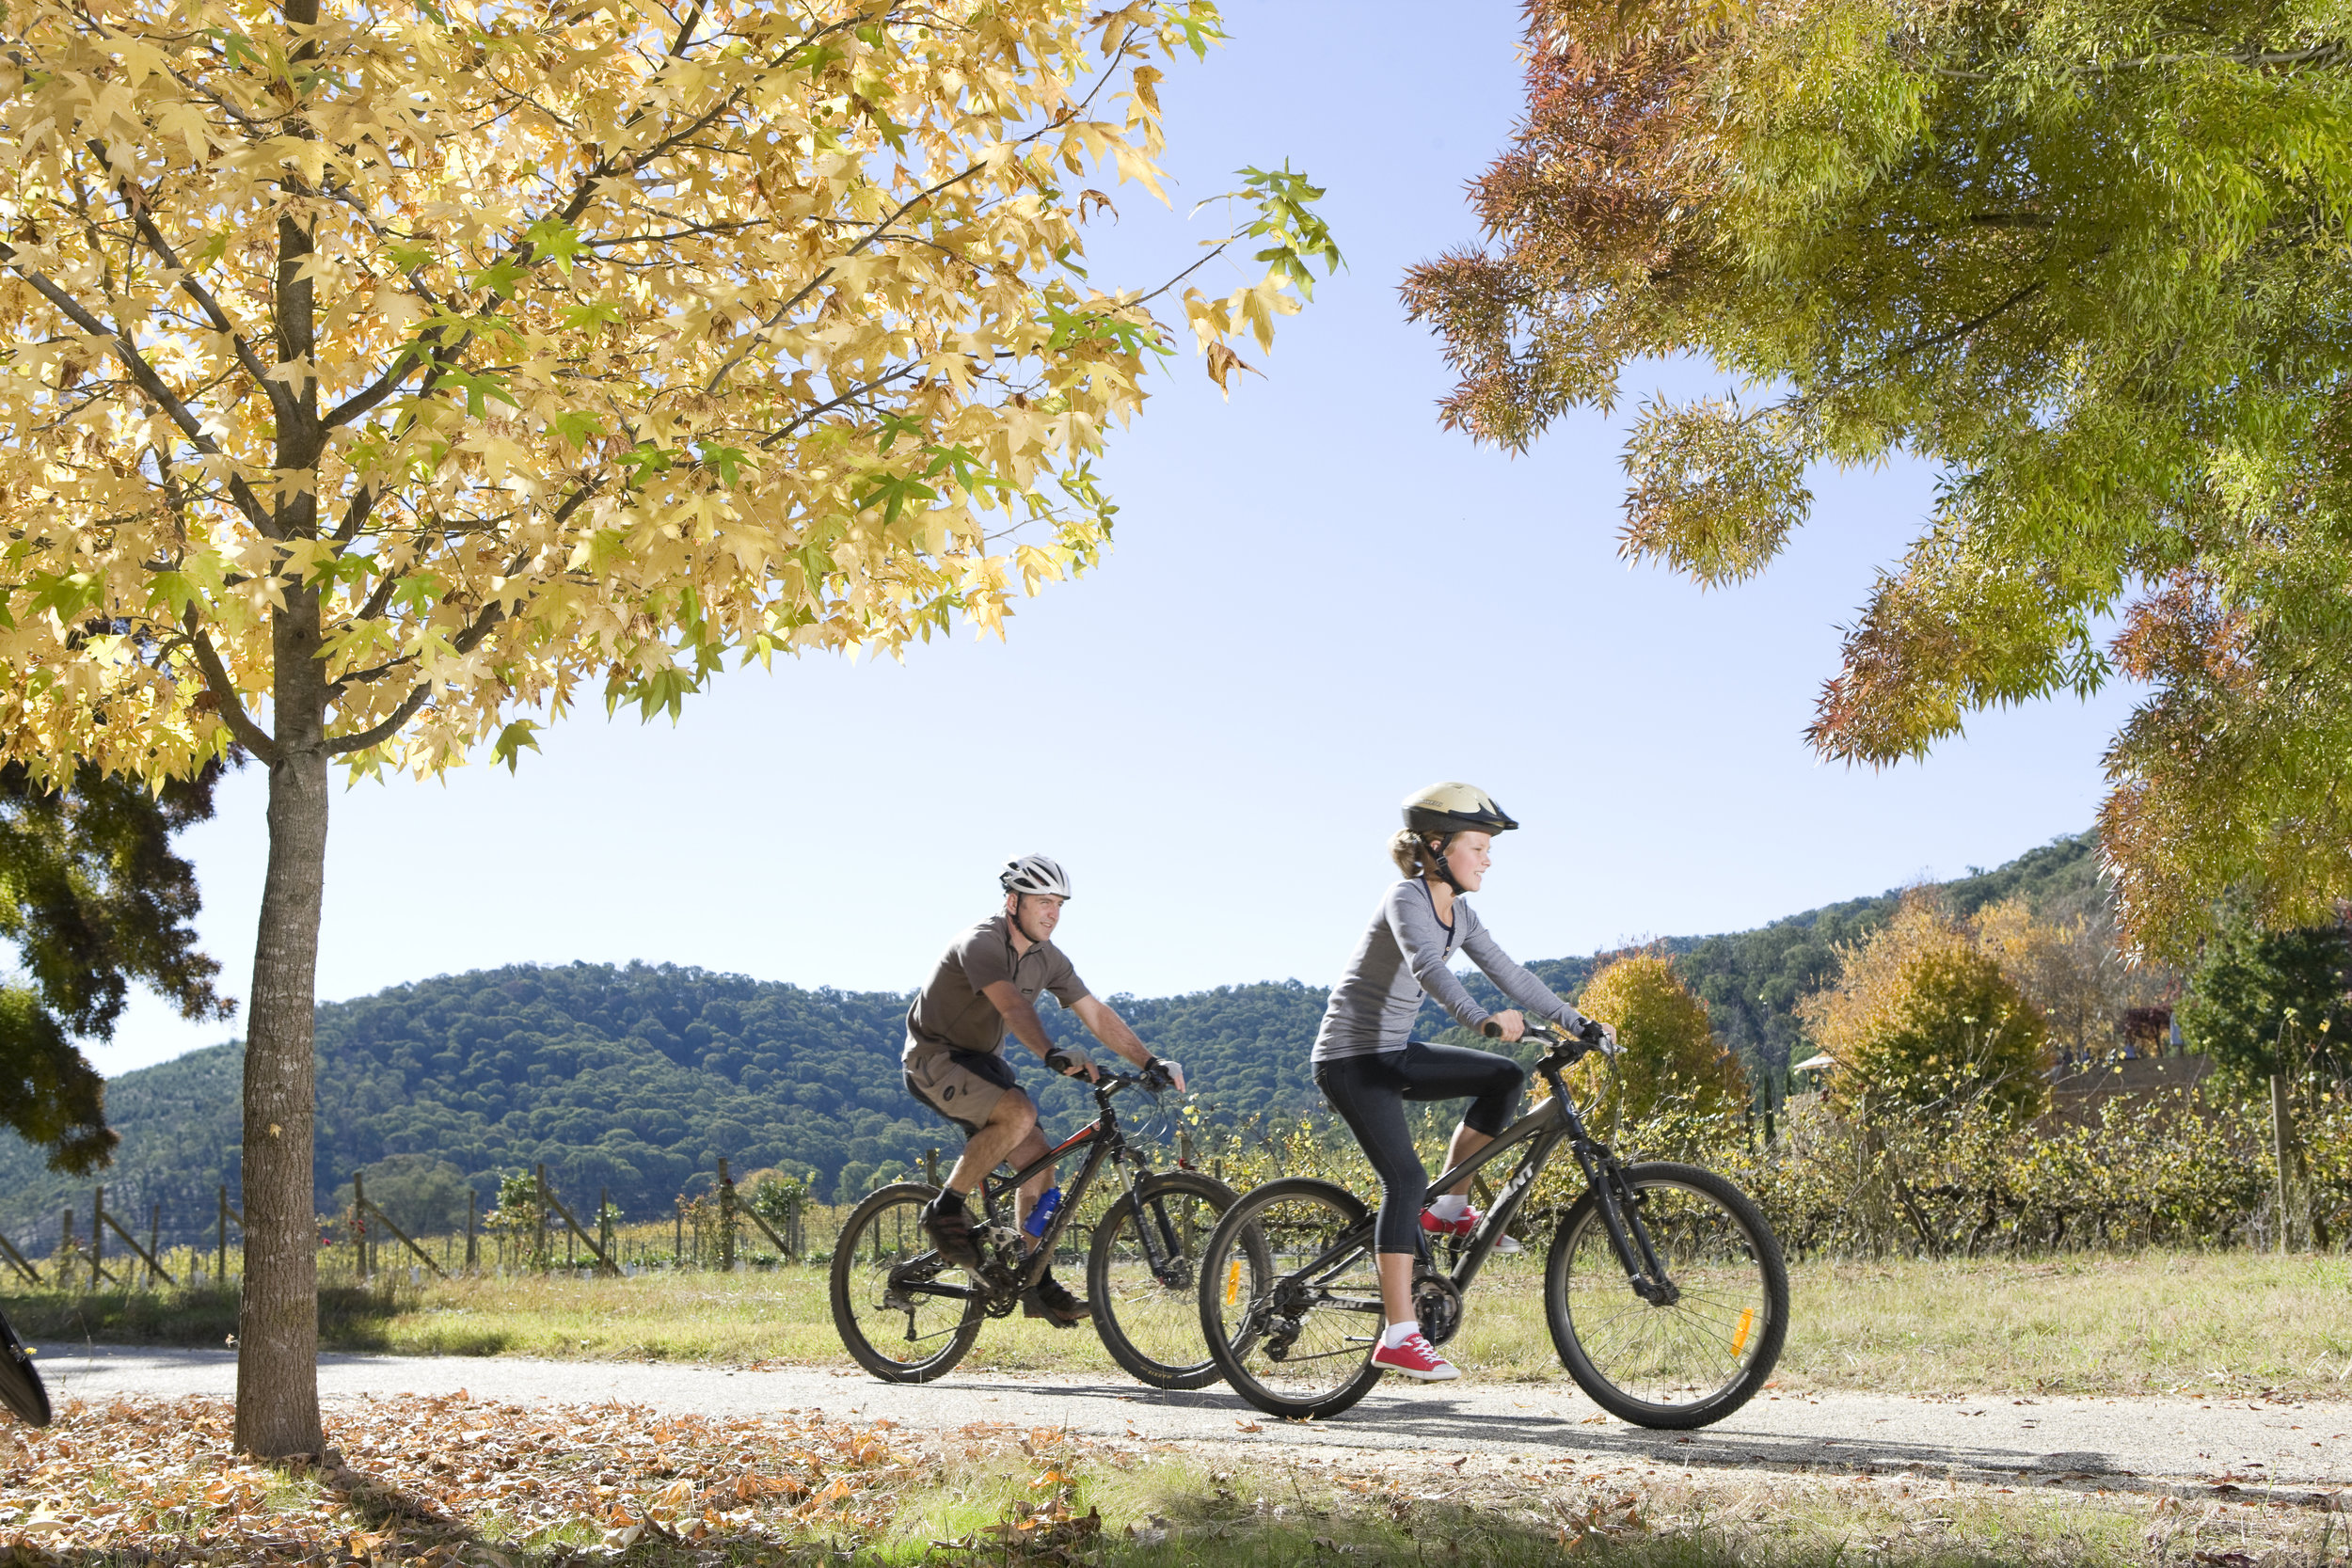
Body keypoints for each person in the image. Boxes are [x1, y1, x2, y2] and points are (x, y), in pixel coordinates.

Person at [1313, 783, 1616, 1384]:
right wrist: (1478, 1017)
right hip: (1350, 1060)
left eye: (1486, 848)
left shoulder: (1463, 914)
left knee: (1504, 1075)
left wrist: (1577, 1020)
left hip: (1394, 1053)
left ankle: (1452, 1208)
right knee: (1404, 1179)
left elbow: (1512, 974)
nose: (1487, 859)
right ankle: (1399, 1335)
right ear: (1435, 845)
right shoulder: (1406, 900)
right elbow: (1427, 968)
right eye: (1477, 846)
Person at [902, 854, 1184, 1326]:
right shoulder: (980, 944)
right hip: (936, 1058)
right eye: (1043, 902)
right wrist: (1052, 1054)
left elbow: (1094, 1012)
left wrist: (1149, 1060)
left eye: (1059, 903)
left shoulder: (1048, 958)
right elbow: (1013, 1008)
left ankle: (1035, 1283)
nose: (1053, 913)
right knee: (1019, 1112)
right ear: (1013, 902)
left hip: (983, 1064)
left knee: (1040, 1167)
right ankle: (945, 1210)